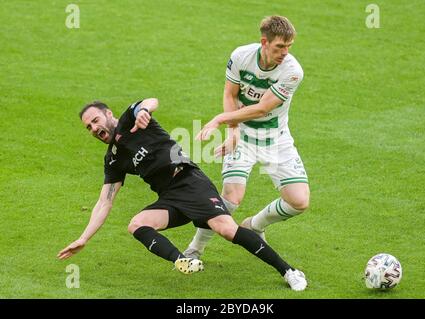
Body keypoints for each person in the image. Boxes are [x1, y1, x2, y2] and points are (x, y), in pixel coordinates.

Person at [57, 98, 307, 291]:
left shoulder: (130, 120)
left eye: (95, 120)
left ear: (108, 114)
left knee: (226, 229)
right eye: (88, 127)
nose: (93, 128)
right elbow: (104, 202)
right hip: (169, 198)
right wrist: (84, 238)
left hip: (189, 181)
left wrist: (144, 111)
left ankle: (289, 271)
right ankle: (184, 261)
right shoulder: (113, 159)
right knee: (136, 224)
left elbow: (150, 101)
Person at [184, 16, 310, 261]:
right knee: (231, 196)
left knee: (299, 201)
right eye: (279, 47)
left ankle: (254, 225)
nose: (285, 52)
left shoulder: (293, 72)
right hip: (243, 136)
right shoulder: (241, 56)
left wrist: (221, 119)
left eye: (289, 46)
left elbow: (263, 108)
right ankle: (195, 248)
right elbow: (230, 94)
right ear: (264, 42)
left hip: (275, 139)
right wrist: (233, 131)